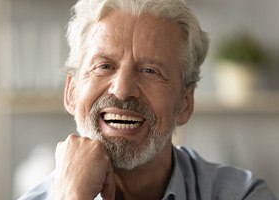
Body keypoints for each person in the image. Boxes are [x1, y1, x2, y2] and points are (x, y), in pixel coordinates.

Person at [19, 0, 276, 199]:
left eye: (150, 71)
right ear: (71, 92)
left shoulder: (243, 195)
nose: (122, 90)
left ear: (185, 103)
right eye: (104, 66)